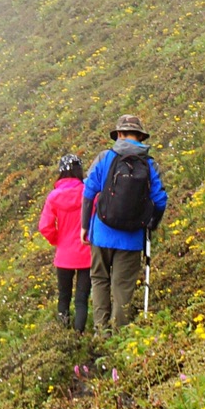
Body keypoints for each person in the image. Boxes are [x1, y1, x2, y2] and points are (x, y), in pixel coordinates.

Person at [82, 113, 167, 334]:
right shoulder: (149, 164)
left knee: (100, 279)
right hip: (131, 238)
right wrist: (150, 226)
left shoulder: (104, 158)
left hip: (101, 231)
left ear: (119, 134)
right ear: (140, 136)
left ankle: (102, 331)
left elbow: (88, 191)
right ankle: (119, 334)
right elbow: (159, 200)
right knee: (123, 285)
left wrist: (84, 226)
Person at [37, 153, 91, 331]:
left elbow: (45, 226)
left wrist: (58, 240)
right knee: (81, 299)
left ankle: (63, 335)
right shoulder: (89, 193)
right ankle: (79, 335)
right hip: (87, 253)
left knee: (64, 297)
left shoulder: (53, 197)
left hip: (64, 255)